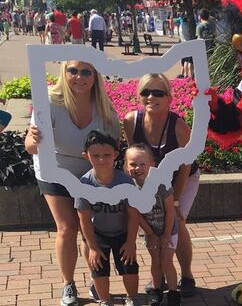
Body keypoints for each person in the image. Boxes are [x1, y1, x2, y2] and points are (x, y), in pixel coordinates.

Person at [24, 60, 120, 306]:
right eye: (73, 71)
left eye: (86, 72)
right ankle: (68, 283)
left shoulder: (104, 107)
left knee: (90, 231)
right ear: (64, 72)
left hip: (89, 172)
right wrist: (33, 139)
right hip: (54, 169)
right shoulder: (49, 101)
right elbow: (30, 147)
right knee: (67, 228)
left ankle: (97, 281)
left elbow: (115, 146)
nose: (79, 77)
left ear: (95, 76)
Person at [122, 73, 197, 297]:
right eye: (145, 92)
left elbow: (185, 166)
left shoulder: (179, 126)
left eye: (158, 92)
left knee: (177, 222)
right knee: (153, 226)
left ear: (169, 98)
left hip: (181, 177)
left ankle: (187, 275)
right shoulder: (131, 121)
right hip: (150, 180)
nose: (151, 97)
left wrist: (175, 200)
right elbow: (132, 155)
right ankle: (159, 274)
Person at [75, 130, 139, 306]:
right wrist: (92, 247)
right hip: (99, 233)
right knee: (98, 267)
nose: (102, 160)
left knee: (129, 265)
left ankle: (132, 297)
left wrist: (131, 242)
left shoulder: (125, 181)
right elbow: (84, 219)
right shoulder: (84, 184)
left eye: (107, 155)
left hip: (122, 232)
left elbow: (133, 214)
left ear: (116, 155)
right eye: (96, 156)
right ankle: (104, 300)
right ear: (86, 156)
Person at [125, 144, 180, 306]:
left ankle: (173, 293)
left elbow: (170, 210)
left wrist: (166, 235)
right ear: (126, 166)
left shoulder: (161, 183)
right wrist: (151, 234)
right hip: (150, 230)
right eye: (133, 164)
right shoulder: (129, 187)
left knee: (166, 261)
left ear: (152, 164)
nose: (138, 168)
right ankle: (156, 291)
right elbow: (137, 215)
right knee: (155, 261)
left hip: (169, 229)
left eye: (142, 164)